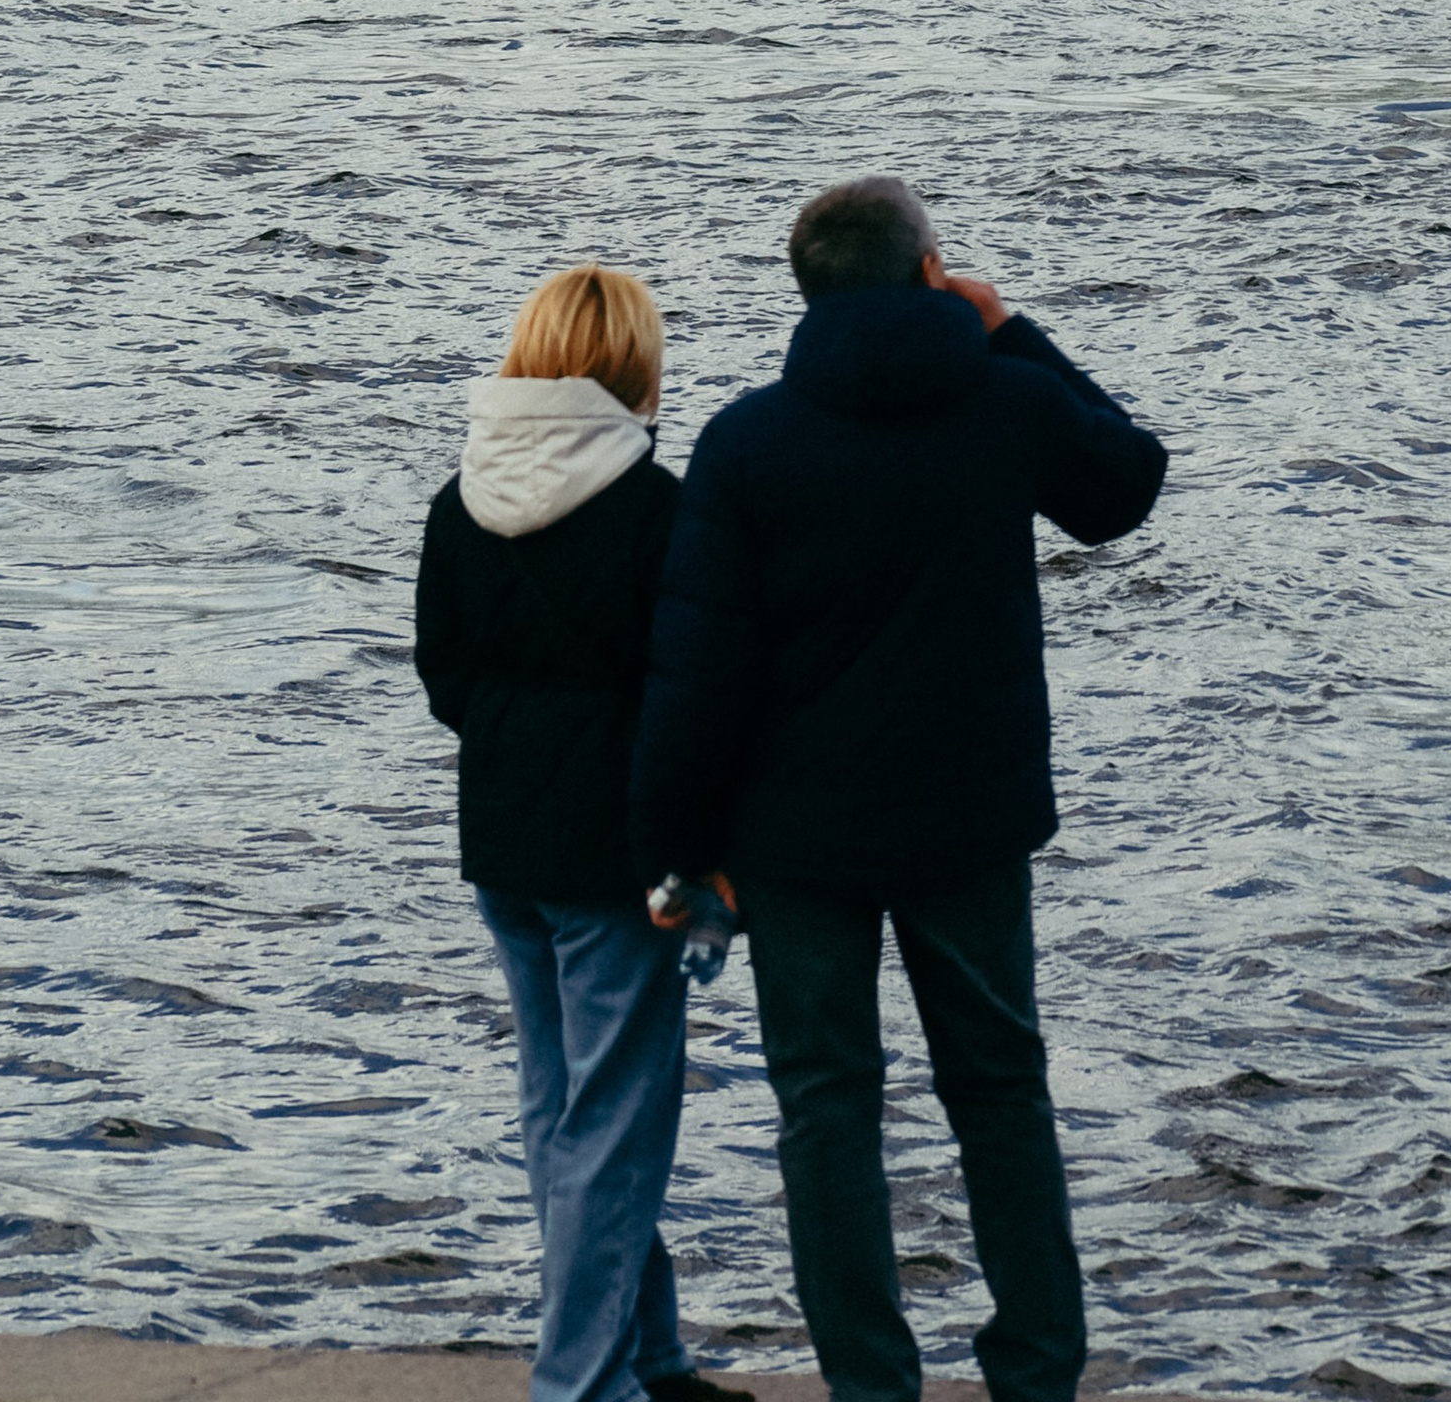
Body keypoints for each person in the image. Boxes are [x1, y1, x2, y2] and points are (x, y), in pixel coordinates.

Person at [630, 177, 1168, 1402]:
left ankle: (872, 1385)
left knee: (826, 1110)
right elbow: (1126, 485)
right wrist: (1013, 327)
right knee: (999, 1093)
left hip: (795, 837)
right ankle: (1034, 1372)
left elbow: (697, 663)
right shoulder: (1008, 401)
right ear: (932, 273)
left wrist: (673, 845)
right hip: (968, 824)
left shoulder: (748, 439)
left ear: (807, 292)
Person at [415, 262, 746, 1402]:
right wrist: (703, 848)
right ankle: (581, 1384)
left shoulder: (459, 495)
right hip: (620, 854)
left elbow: (444, 678)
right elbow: (691, 696)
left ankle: (646, 1358)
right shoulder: (662, 509)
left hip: (503, 840)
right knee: (610, 1125)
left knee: (567, 1114)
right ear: (634, 366)